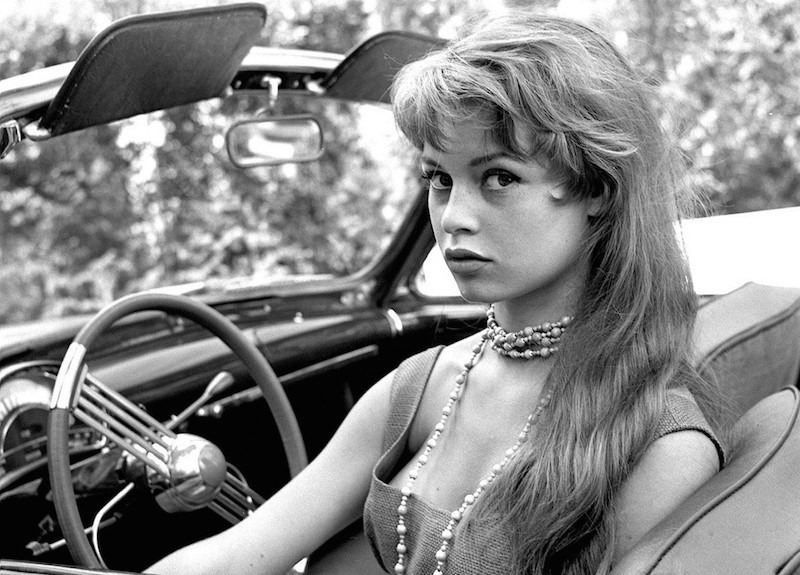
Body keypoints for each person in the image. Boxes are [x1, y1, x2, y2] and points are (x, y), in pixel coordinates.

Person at [148, 10, 724, 575]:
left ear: (596, 188)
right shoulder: (418, 389)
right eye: (439, 179)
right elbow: (235, 555)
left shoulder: (659, 442)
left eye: (499, 177)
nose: (452, 218)